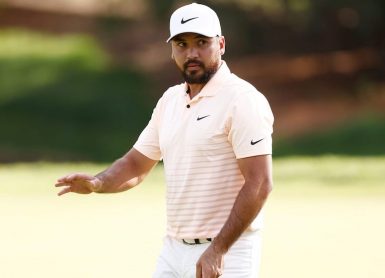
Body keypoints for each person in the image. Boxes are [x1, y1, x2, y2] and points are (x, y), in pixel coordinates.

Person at [55, 3, 274, 278]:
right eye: (182, 44)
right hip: (173, 250)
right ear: (172, 50)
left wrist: (218, 250)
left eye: (201, 43)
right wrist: (98, 182)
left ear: (221, 44)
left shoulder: (242, 100)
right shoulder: (170, 100)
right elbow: (136, 163)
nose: (191, 53)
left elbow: (260, 183)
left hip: (229, 250)